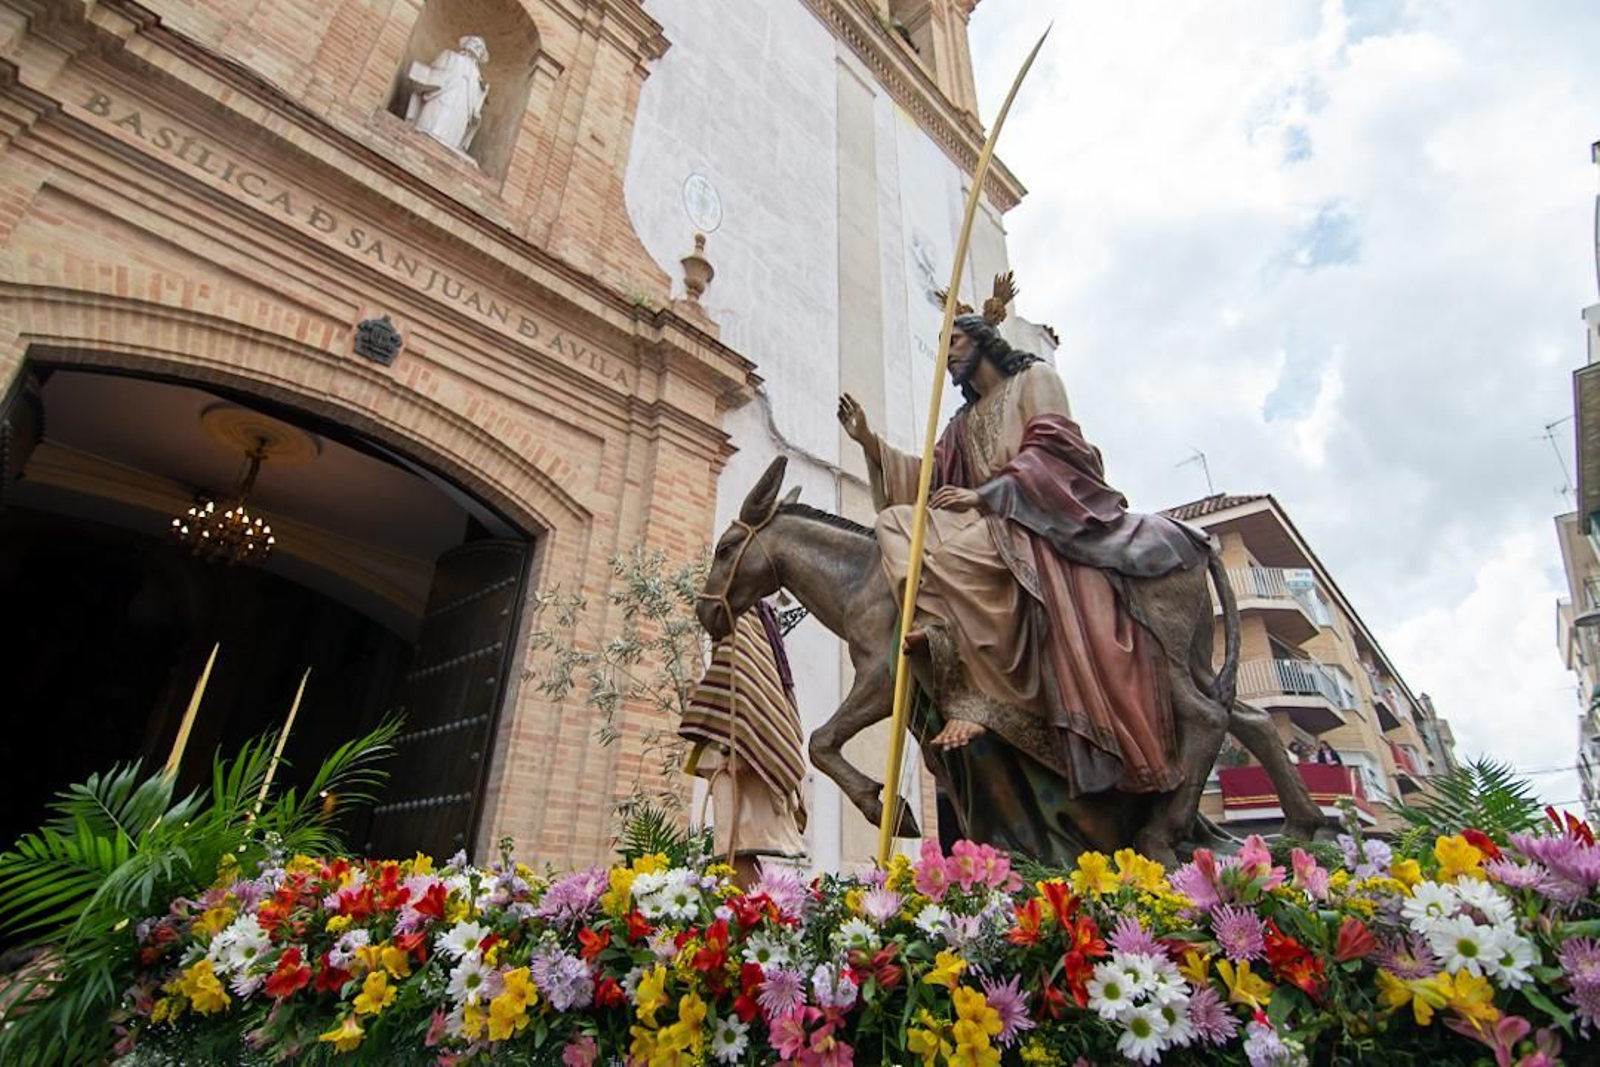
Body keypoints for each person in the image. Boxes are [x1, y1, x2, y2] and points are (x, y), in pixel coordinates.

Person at [837, 300, 1207, 803]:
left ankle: (983, 697)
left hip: (1032, 516)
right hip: (978, 522)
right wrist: (870, 443)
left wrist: (987, 496)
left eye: (954, 343)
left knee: (951, 554)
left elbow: (1056, 453)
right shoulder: (962, 423)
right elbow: (930, 479)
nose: (947, 357)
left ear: (983, 340)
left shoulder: (1036, 381)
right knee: (895, 521)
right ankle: (935, 628)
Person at [681, 599, 807, 886]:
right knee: (735, 846)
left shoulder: (743, 614)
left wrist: (734, 747)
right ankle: (751, 909)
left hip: (741, 750)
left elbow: (747, 685)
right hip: (738, 745)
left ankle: (753, 909)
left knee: (739, 845)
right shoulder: (749, 616)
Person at [404, 36, 490, 155]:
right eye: (474, 42)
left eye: (480, 48)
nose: (476, 47)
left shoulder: (478, 78)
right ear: (466, 43)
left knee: (448, 141)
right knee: (428, 128)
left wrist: (477, 111)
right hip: (440, 98)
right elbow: (431, 73)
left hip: (460, 112)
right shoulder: (449, 56)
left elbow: (474, 109)